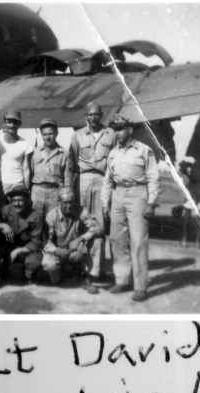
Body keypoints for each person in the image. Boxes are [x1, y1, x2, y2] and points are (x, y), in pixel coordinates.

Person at [101, 115, 160, 302]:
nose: (117, 133)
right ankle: (122, 279)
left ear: (130, 130)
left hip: (138, 195)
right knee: (117, 240)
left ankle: (140, 286)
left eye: (120, 129)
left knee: (138, 242)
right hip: (118, 196)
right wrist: (105, 202)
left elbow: (152, 178)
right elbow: (107, 181)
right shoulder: (112, 153)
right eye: (114, 129)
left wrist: (151, 203)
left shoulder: (144, 150)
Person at [69, 101, 116, 280]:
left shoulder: (110, 134)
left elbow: (113, 162)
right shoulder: (77, 135)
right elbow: (70, 164)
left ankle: (97, 269)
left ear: (101, 115)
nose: (93, 117)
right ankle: (80, 265)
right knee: (82, 222)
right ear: (85, 116)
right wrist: (69, 187)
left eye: (97, 114)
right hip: (83, 180)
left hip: (103, 180)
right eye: (90, 114)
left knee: (100, 225)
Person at [44, 187, 102, 285]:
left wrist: (81, 238)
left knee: (97, 240)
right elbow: (46, 241)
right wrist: (55, 250)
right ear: (59, 202)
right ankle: (59, 280)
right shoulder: (51, 216)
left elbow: (98, 228)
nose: (69, 205)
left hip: (75, 251)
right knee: (49, 264)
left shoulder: (81, 211)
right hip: (58, 251)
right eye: (65, 202)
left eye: (71, 202)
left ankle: (89, 278)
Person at [0, 185, 45, 284]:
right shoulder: (7, 210)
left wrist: (18, 250)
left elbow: (37, 242)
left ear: (27, 200)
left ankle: (28, 274)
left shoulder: (36, 217)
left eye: (20, 200)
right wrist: (2, 225)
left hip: (27, 249)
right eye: (14, 200)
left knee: (34, 261)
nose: (16, 204)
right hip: (9, 246)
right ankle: (2, 273)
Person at [0, 110, 33, 209]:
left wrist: (27, 190)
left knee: (17, 215)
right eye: (9, 122)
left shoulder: (25, 144)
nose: (12, 125)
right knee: (1, 215)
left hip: (17, 184)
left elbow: (26, 170)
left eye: (15, 122)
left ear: (19, 124)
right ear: (4, 123)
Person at [30, 118, 74, 218]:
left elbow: (68, 180)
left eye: (51, 134)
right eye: (44, 134)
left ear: (56, 133)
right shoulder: (35, 151)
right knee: (36, 223)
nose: (48, 137)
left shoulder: (65, 154)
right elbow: (30, 171)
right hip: (37, 192)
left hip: (55, 193)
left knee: (53, 222)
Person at [178, 157, 200, 248]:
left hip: (197, 193)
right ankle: (187, 240)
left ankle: (190, 241)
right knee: (190, 217)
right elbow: (181, 166)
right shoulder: (194, 166)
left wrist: (188, 163)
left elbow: (181, 166)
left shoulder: (197, 167)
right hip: (194, 192)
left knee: (196, 217)